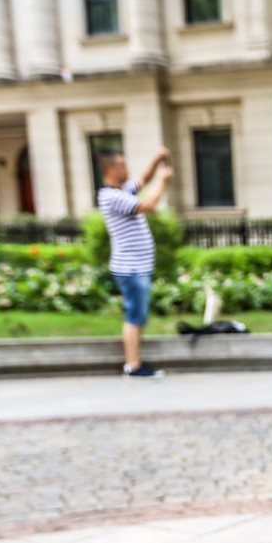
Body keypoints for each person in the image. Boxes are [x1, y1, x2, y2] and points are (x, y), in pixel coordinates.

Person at [97, 147, 173, 378]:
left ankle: (135, 361)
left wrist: (156, 160)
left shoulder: (123, 191)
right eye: (122, 164)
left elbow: (143, 180)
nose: (127, 168)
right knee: (135, 315)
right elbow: (148, 205)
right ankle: (133, 365)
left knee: (137, 314)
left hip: (137, 266)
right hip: (131, 268)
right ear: (111, 169)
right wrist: (164, 181)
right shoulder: (112, 197)